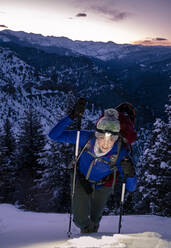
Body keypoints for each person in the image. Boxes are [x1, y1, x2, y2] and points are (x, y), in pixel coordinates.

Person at [48, 99, 137, 233]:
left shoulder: (120, 153)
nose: (106, 143)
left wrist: (130, 173)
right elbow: (54, 135)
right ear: (97, 134)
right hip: (80, 178)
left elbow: (131, 187)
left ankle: (90, 238)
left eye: (112, 139)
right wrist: (72, 116)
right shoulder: (86, 138)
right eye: (102, 137)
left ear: (117, 138)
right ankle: (86, 233)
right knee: (81, 220)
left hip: (104, 184)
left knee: (94, 221)